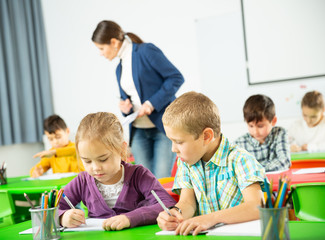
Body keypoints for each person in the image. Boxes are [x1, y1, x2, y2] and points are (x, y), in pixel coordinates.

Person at [156, 91, 265, 236]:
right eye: (171, 140)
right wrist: (175, 213)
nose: (173, 149)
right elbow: (187, 203)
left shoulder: (240, 159)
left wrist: (210, 219)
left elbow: (257, 206)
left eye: (179, 142)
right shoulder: (186, 163)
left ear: (206, 136)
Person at [91, 20, 184, 178]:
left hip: (162, 128)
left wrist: (151, 103)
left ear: (113, 42)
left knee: (160, 179)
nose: (101, 53)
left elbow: (175, 78)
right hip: (139, 131)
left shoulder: (146, 51)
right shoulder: (119, 69)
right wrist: (124, 108)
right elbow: (129, 99)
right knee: (144, 182)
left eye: (101, 48)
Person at [58, 112, 176, 230]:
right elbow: (50, 209)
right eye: (87, 161)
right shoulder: (82, 181)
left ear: (121, 149)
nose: (95, 168)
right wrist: (62, 217)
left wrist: (129, 218)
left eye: (103, 159)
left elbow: (166, 204)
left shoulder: (139, 175)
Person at [234, 94, 291, 172]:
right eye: (251, 126)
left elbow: (285, 161)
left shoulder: (280, 133)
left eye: (260, 126)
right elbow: (237, 169)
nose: (255, 131)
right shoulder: (239, 144)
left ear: (273, 121)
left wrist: (253, 168)